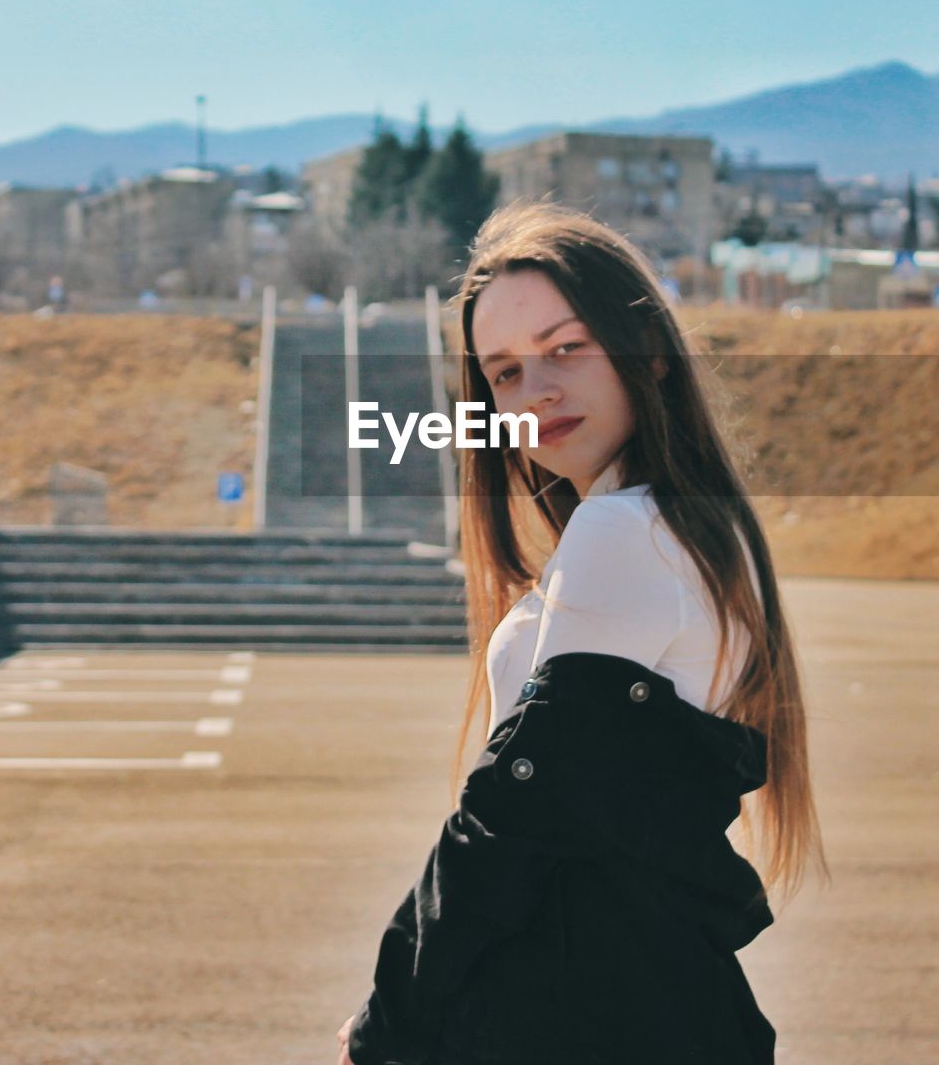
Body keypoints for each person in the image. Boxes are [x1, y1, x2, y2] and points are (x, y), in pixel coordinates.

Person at [337, 201, 826, 1065]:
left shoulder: (623, 533)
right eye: (505, 373)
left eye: (566, 348)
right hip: (643, 1001)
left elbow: (511, 816)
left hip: (583, 1014)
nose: (538, 391)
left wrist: (387, 1025)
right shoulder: (687, 527)